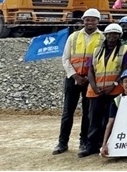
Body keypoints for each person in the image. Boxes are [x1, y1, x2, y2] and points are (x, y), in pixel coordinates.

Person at [53, 8, 103, 156]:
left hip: (90, 80)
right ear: (83, 21)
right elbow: (65, 58)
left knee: (88, 113)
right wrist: (75, 76)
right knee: (68, 112)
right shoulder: (73, 37)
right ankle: (62, 142)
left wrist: (89, 78)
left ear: (98, 22)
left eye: (93, 20)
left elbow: (100, 61)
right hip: (73, 79)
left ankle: (84, 142)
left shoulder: (102, 38)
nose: (90, 22)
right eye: (87, 19)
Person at [83, 23, 127, 157]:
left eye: (115, 34)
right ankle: (91, 146)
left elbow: (124, 70)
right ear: (105, 35)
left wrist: (113, 85)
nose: (112, 36)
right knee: (94, 119)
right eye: (110, 34)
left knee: (109, 119)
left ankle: (106, 145)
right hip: (96, 91)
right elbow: (90, 71)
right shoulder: (96, 50)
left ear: (119, 35)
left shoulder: (124, 50)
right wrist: (94, 86)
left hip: (114, 91)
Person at [98, 68, 127, 158]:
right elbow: (110, 123)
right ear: (121, 84)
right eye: (126, 81)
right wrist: (104, 144)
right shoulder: (117, 101)